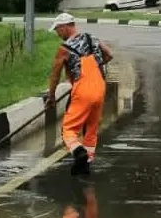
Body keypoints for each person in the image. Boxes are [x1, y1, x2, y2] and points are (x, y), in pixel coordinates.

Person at [46, 12, 113, 175]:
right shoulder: (92, 38)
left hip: (82, 90)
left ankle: (79, 152)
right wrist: (98, 65)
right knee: (91, 128)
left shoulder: (64, 49)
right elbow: (109, 54)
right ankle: (86, 165)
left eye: (57, 30)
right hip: (99, 88)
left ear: (65, 27)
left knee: (68, 130)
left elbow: (55, 75)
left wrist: (51, 96)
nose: (58, 34)